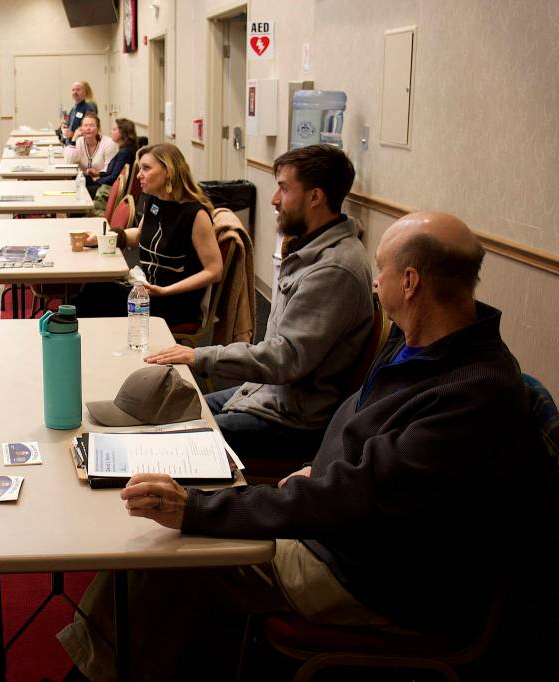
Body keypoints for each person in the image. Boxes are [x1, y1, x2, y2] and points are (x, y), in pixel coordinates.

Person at [58, 211, 546, 681]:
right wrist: (317, 468)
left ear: (411, 282)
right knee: (178, 539)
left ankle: (94, 674)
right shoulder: (422, 341)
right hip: (344, 526)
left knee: (163, 557)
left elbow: (356, 497)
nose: (374, 283)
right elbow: (364, 450)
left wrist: (197, 509)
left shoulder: (472, 396)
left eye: (380, 270)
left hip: (373, 576)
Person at [146, 144, 373, 463]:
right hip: (266, 394)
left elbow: (285, 358)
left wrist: (201, 356)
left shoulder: (334, 269)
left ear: (315, 197)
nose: (274, 199)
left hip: (291, 421)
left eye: (283, 188)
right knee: (165, 418)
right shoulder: (311, 250)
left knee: (173, 447)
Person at [72, 143, 223, 329]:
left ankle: (68, 339)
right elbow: (140, 235)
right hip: (147, 290)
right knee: (94, 290)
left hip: (174, 302)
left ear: (168, 171)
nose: (138, 175)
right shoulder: (154, 201)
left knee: (96, 298)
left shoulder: (195, 214)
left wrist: (165, 291)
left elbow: (214, 270)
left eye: (146, 168)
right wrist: (104, 238)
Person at [88, 118, 137, 203]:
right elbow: (113, 172)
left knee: (83, 189)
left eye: (114, 129)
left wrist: (96, 181)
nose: (111, 131)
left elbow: (114, 178)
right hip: (111, 186)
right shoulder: (126, 149)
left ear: (123, 132)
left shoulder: (125, 153)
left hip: (111, 190)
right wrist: (98, 174)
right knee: (85, 178)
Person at [63, 112, 117, 177]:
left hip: (101, 181)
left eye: (92, 125)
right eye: (85, 125)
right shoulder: (79, 142)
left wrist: (97, 174)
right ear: (81, 128)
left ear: (98, 128)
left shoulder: (108, 143)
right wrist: (74, 138)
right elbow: (68, 162)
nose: (88, 128)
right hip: (83, 180)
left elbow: (109, 170)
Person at [60, 81, 97, 146]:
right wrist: (65, 125)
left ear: (85, 92)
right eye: (73, 90)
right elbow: (71, 125)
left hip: (82, 146)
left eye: (78, 90)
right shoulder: (73, 108)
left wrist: (73, 134)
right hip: (70, 145)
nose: (75, 92)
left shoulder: (89, 108)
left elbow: (91, 129)